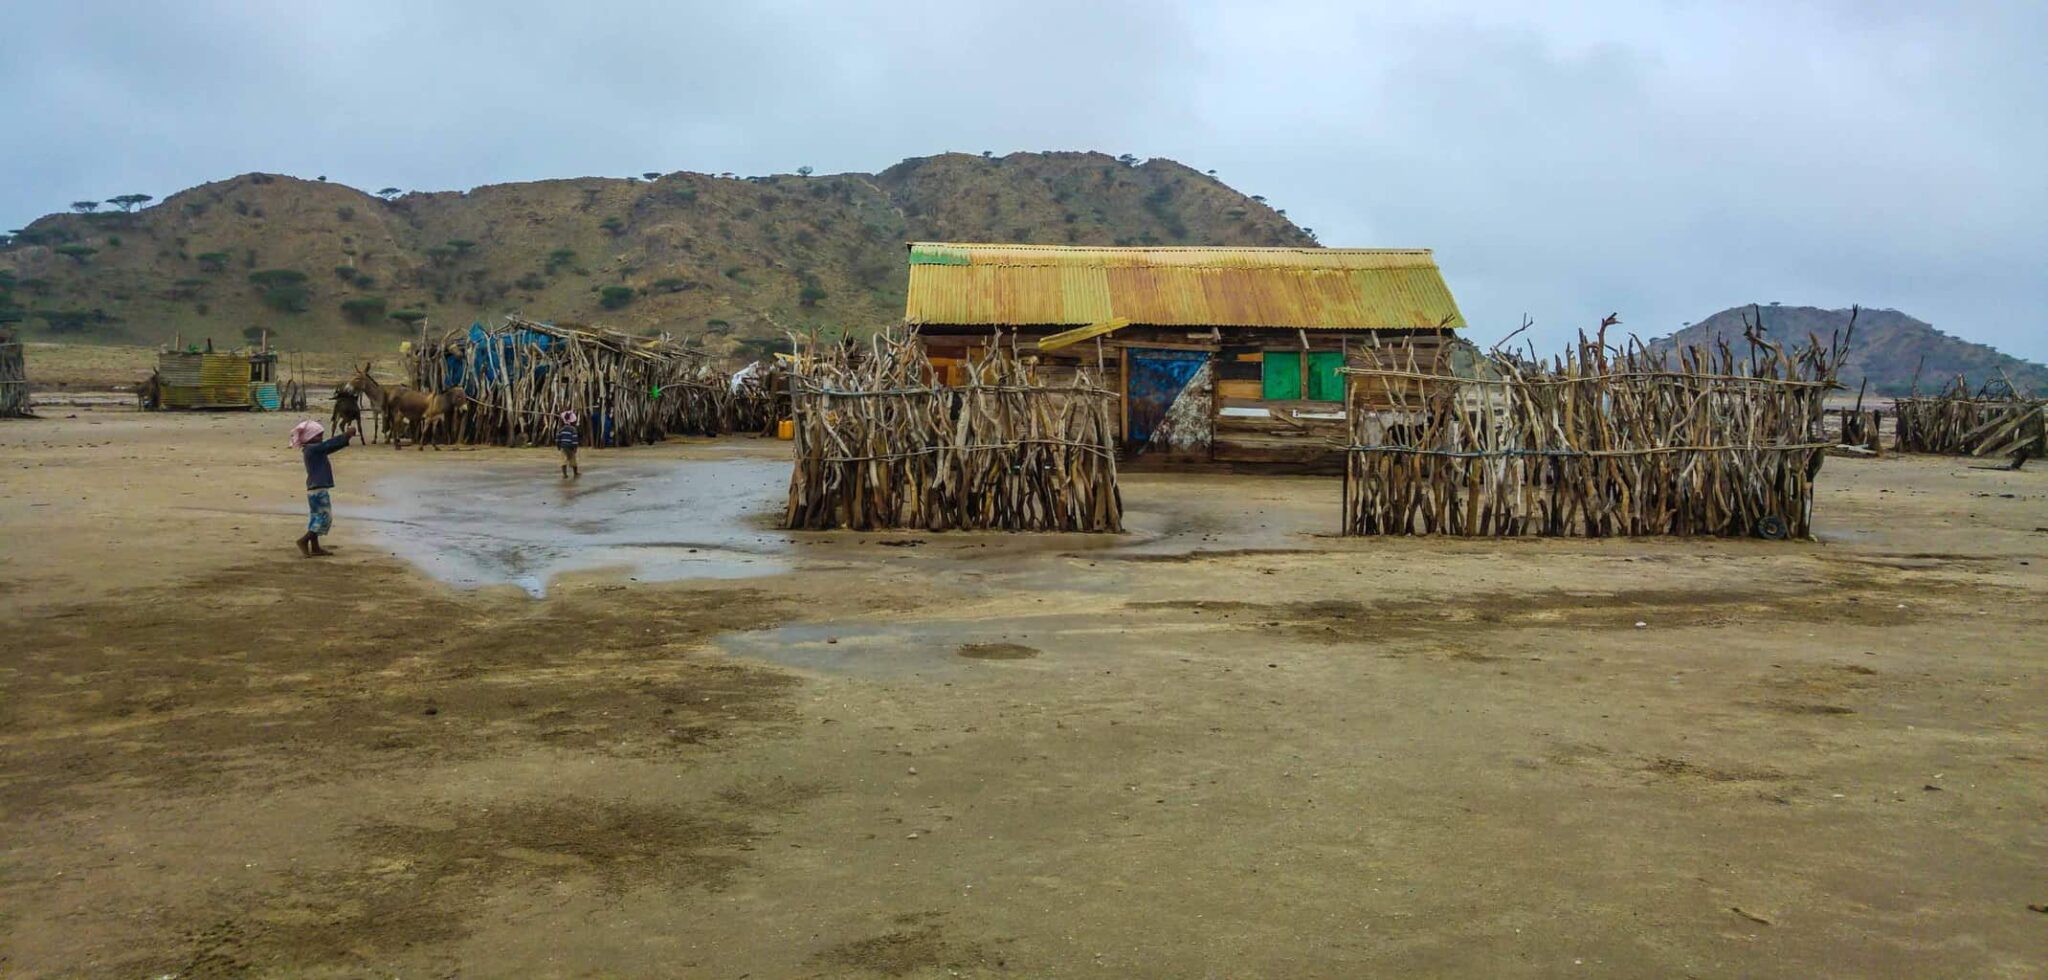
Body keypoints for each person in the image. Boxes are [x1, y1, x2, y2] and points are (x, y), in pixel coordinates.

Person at [290, 418, 358, 557]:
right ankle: (304, 540)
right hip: (319, 488)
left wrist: (345, 437)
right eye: (318, 435)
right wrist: (346, 435)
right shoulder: (314, 449)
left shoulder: (310, 449)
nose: (321, 438)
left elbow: (329, 446)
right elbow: (329, 445)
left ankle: (315, 547)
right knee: (324, 518)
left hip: (313, 489)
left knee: (315, 517)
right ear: (309, 437)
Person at [556, 410, 581, 479]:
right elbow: (575, 439)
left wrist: (558, 446)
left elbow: (558, 439)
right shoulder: (573, 429)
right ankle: (575, 472)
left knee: (563, 460)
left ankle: (564, 474)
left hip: (563, 447)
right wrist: (575, 448)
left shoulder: (561, 429)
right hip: (570, 447)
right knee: (573, 460)